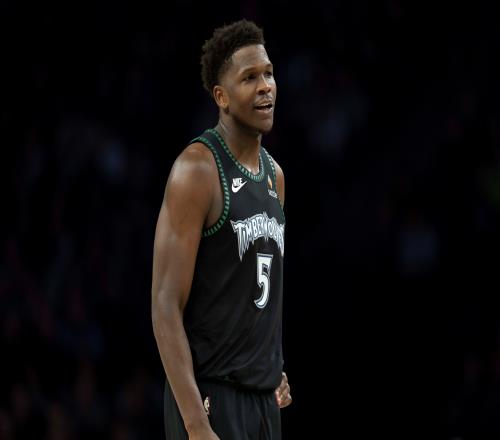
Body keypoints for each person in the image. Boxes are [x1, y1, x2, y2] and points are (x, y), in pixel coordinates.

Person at [152, 19, 291, 440]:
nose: (265, 87)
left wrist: (270, 367)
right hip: (210, 398)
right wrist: (196, 423)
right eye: (249, 78)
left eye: (268, 73)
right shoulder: (197, 169)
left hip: (262, 400)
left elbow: (254, 292)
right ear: (221, 96)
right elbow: (165, 305)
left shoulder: (275, 176)